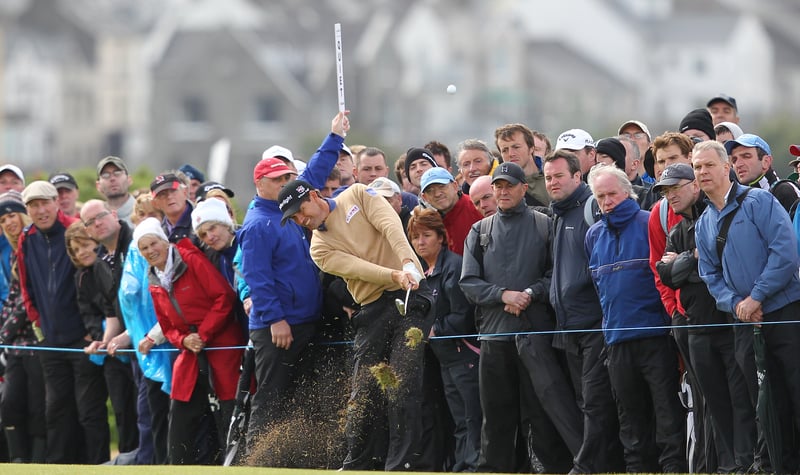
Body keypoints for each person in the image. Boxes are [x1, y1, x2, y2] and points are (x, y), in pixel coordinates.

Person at [277, 177, 434, 471]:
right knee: (362, 391)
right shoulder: (318, 249)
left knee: (402, 383)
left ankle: (401, 466)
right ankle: (357, 464)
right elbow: (359, 269)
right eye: (294, 218)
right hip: (373, 307)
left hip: (412, 296)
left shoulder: (358, 195)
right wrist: (395, 274)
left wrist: (407, 262)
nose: (301, 219)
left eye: (301, 210)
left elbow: (390, 225)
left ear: (313, 195)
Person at [240, 111, 349, 456]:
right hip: (278, 328)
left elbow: (315, 174)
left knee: (299, 397)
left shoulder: (288, 207)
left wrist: (335, 137)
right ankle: (257, 462)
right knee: (270, 399)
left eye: (288, 176)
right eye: (278, 178)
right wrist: (275, 320)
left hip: (304, 320)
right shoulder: (258, 223)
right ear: (260, 184)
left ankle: (294, 460)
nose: (286, 181)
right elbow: (256, 279)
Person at [460, 162, 575, 473]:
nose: (502, 191)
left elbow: (556, 274)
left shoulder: (544, 224)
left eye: (509, 185)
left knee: (543, 414)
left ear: (524, 188)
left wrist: (528, 294)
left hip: (535, 335)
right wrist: (503, 295)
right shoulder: (479, 230)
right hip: (495, 338)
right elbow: (468, 282)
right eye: (498, 186)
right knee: (496, 418)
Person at [693, 140, 800, 473]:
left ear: (726, 167)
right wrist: (738, 303)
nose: (702, 172)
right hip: (744, 322)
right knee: (764, 403)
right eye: (697, 167)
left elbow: (785, 253)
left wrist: (756, 297)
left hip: (784, 314)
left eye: (709, 165)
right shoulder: (703, 224)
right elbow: (710, 275)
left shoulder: (760, 201)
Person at [654, 163, 756, 472]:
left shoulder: (715, 218)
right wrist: (693, 259)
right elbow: (668, 275)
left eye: (675, 188)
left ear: (695, 185)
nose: (670, 195)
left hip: (727, 324)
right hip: (695, 327)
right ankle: (730, 466)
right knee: (714, 403)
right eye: (666, 191)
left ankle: (747, 461)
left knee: (741, 401)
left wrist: (688, 264)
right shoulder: (676, 230)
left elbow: (721, 265)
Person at [584, 164, 686, 473]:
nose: (607, 202)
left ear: (627, 191)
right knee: (630, 418)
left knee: (667, 412)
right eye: (600, 196)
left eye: (612, 194)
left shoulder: (648, 222)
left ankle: (673, 468)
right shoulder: (593, 235)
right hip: (616, 341)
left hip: (655, 337)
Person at [135, 217, 245, 465]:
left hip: (221, 340)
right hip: (190, 347)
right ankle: (177, 466)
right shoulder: (153, 279)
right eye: (144, 248)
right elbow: (166, 326)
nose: (151, 251)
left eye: (153, 244)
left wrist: (203, 334)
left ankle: (236, 465)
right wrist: (185, 340)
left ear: (164, 242)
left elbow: (223, 297)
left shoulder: (190, 259)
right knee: (181, 405)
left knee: (228, 405)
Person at [17, 181, 110, 464]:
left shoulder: (76, 228)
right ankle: (59, 466)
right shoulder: (27, 238)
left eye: (45, 203)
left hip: (84, 340)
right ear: (28, 210)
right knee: (56, 410)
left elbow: (95, 281)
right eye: (33, 206)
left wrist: (93, 331)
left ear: (57, 203)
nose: (40, 210)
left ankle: (98, 466)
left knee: (89, 411)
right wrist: (39, 324)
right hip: (51, 341)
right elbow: (26, 286)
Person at [544, 150, 624, 473]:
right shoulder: (558, 215)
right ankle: (600, 465)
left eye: (559, 176)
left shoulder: (590, 208)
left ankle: (587, 466)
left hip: (595, 325)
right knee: (585, 402)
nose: (552, 183)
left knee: (595, 402)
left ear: (578, 177)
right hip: (569, 328)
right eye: (548, 177)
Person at [407, 207, 481, 472]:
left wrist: (432, 330)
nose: (420, 242)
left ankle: (474, 466)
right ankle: (462, 466)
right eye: (415, 237)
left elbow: (463, 316)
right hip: (446, 357)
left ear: (441, 236)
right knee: (460, 417)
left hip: (466, 354)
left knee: (473, 416)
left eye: (426, 235)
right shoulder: (422, 273)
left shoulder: (454, 266)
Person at [65, 220, 139, 457]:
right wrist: (102, 339)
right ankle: (121, 457)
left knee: (135, 407)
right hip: (108, 351)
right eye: (75, 250)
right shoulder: (81, 278)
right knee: (118, 408)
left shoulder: (109, 265)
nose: (82, 252)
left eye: (84, 245)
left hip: (132, 341)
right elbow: (89, 315)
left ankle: (138, 456)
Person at [0, 191, 46, 463]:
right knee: (10, 404)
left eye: (11, 216)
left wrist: (2, 334)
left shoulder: (33, 246)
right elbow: (12, 301)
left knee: (37, 408)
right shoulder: (14, 253)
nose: (8, 222)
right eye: (3, 219)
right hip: (16, 346)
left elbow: (29, 301)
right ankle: (17, 461)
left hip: (36, 344)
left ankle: (36, 462)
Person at [725, 134, 800, 216]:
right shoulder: (735, 200)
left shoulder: (784, 191)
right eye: (734, 160)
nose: (738, 164)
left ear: (766, 162)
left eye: (746, 156)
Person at [419, 167, 483, 256]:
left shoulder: (477, 208)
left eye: (442, 186)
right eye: (430, 191)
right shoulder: (431, 223)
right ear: (425, 198)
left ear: (455, 186)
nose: (437, 194)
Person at [494, 123, 549, 207]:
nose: (511, 154)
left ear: (531, 148)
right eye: (505, 150)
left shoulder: (553, 174)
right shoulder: (498, 185)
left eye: (516, 147)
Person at [96, 156, 137, 225]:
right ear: (98, 185)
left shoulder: (144, 213)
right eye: (105, 175)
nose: (112, 178)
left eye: (117, 173)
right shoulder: (95, 219)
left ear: (129, 180)